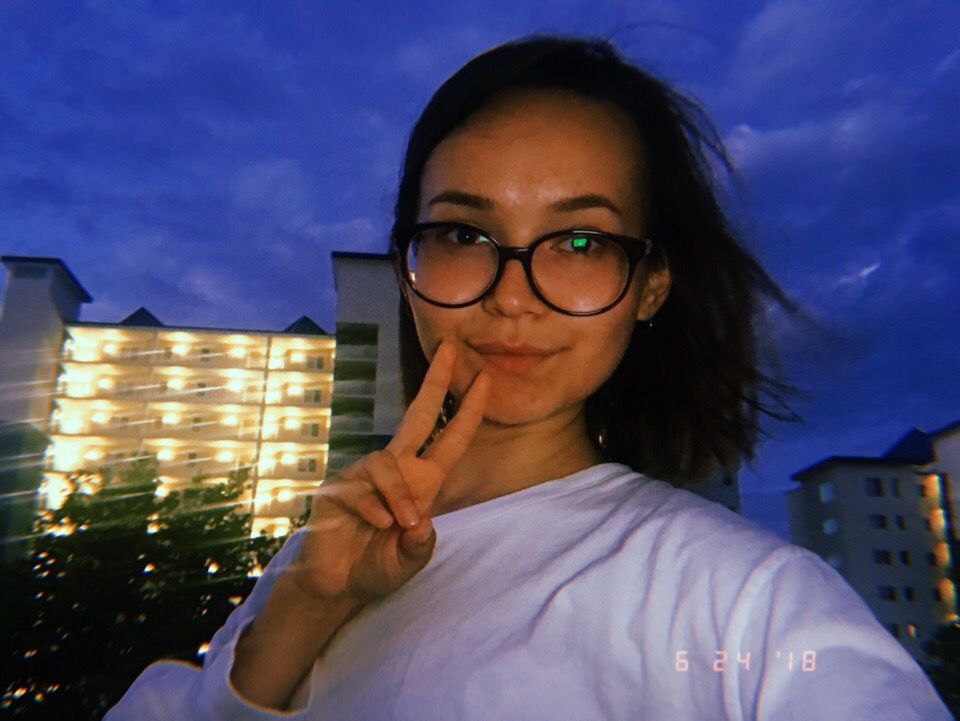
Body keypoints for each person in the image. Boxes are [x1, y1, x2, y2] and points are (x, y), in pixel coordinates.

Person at [106, 34, 953, 720]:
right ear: (408, 268)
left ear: (650, 283)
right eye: (463, 235)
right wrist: (305, 608)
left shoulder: (745, 600)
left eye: (581, 242)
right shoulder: (321, 552)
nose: (512, 297)